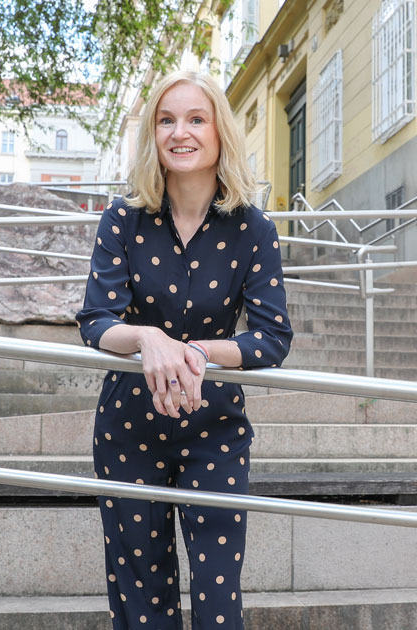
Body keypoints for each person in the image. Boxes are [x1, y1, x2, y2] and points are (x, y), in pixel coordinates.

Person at [75, 69, 293, 629]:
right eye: (167, 120)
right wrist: (149, 338)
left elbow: (272, 338)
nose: (181, 132)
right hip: (129, 427)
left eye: (196, 118)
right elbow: (96, 321)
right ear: (153, 135)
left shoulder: (254, 230)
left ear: (220, 131)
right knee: (140, 603)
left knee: (220, 604)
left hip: (215, 427)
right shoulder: (122, 220)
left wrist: (197, 351)